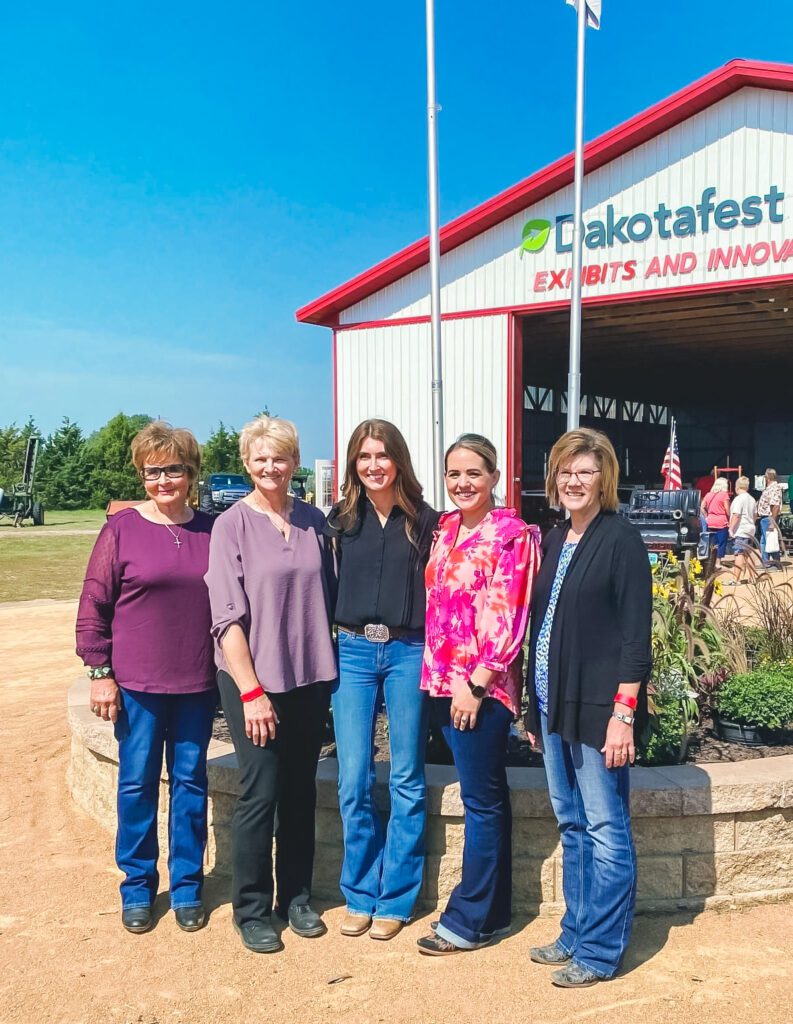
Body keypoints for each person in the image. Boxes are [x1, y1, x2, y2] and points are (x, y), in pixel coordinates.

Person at [75, 421, 216, 935]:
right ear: (142, 476)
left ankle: (186, 886)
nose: (163, 480)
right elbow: (94, 604)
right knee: (136, 786)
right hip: (136, 685)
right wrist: (99, 672)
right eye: (152, 472)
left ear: (190, 472)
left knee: (190, 785)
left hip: (198, 682)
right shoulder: (122, 530)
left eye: (173, 469)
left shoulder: (213, 529)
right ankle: (137, 885)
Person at [525, 428, 652, 988]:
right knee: (572, 823)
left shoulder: (620, 538)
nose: (573, 481)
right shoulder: (555, 539)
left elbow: (635, 637)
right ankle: (576, 930)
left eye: (585, 471)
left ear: (605, 481)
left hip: (601, 711)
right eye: (565, 471)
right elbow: (542, 628)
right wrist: (534, 712)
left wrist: (624, 715)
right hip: (557, 707)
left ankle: (601, 951)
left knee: (605, 826)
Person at [205, 415, 337, 954]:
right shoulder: (231, 525)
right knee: (261, 790)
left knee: (300, 789)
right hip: (250, 679)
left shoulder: (314, 521)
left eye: (279, 458)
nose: (270, 467)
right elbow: (226, 618)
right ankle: (253, 908)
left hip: (309, 676)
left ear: (294, 461)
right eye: (260, 459)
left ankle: (297, 898)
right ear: (246, 464)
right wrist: (252, 690)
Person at [415, 434, 540, 956]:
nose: (462, 483)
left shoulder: (511, 535)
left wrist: (476, 684)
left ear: (494, 476)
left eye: (473, 473)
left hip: (478, 690)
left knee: (481, 802)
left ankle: (468, 919)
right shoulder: (445, 528)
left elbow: (509, 617)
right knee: (487, 797)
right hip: (440, 683)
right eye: (453, 474)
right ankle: (496, 910)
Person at [326, 419, 439, 940]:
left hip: (406, 653)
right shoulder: (339, 522)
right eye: (363, 456)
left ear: (398, 460)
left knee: (406, 779)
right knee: (353, 779)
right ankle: (359, 891)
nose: (373, 465)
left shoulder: (429, 523)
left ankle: (394, 897)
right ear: (354, 462)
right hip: (351, 652)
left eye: (382, 455)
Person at [728, 476, 759, 585]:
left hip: (741, 529)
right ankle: (753, 577)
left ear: (737, 487)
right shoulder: (751, 499)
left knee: (739, 553)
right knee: (748, 553)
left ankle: (736, 579)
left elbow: (736, 515)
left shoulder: (738, 499)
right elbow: (755, 515)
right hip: (750, 528)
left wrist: (731, 528)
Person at [700, 477, 732, 566]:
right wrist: (730, 519)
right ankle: (718, 562)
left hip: (710, 521)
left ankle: (711, 562)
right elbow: (727, 509)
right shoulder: (724, 495)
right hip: (722, 522)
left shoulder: (708, 494)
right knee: (721, 542)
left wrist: (706, 516)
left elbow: (702, 507)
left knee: (712, 543)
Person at [757, 468, 783, 568]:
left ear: (768, 477)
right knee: (764, 541)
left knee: (770, 540)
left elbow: (775, 505)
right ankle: (766, 562)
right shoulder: (769, 488)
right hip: (764, 517)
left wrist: (772, 521)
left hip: (769, 518)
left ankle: (776, 563)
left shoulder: (774, 488)